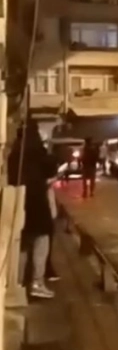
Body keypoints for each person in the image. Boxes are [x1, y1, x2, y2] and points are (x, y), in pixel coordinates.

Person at [8, 120, 57, 300]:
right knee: (41, 241)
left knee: (22, 244)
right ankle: (37, 282)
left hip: (19, 200)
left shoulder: (15, 153)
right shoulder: (37, 151)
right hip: (36, 202)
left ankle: (18, 281)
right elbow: (50, 168)